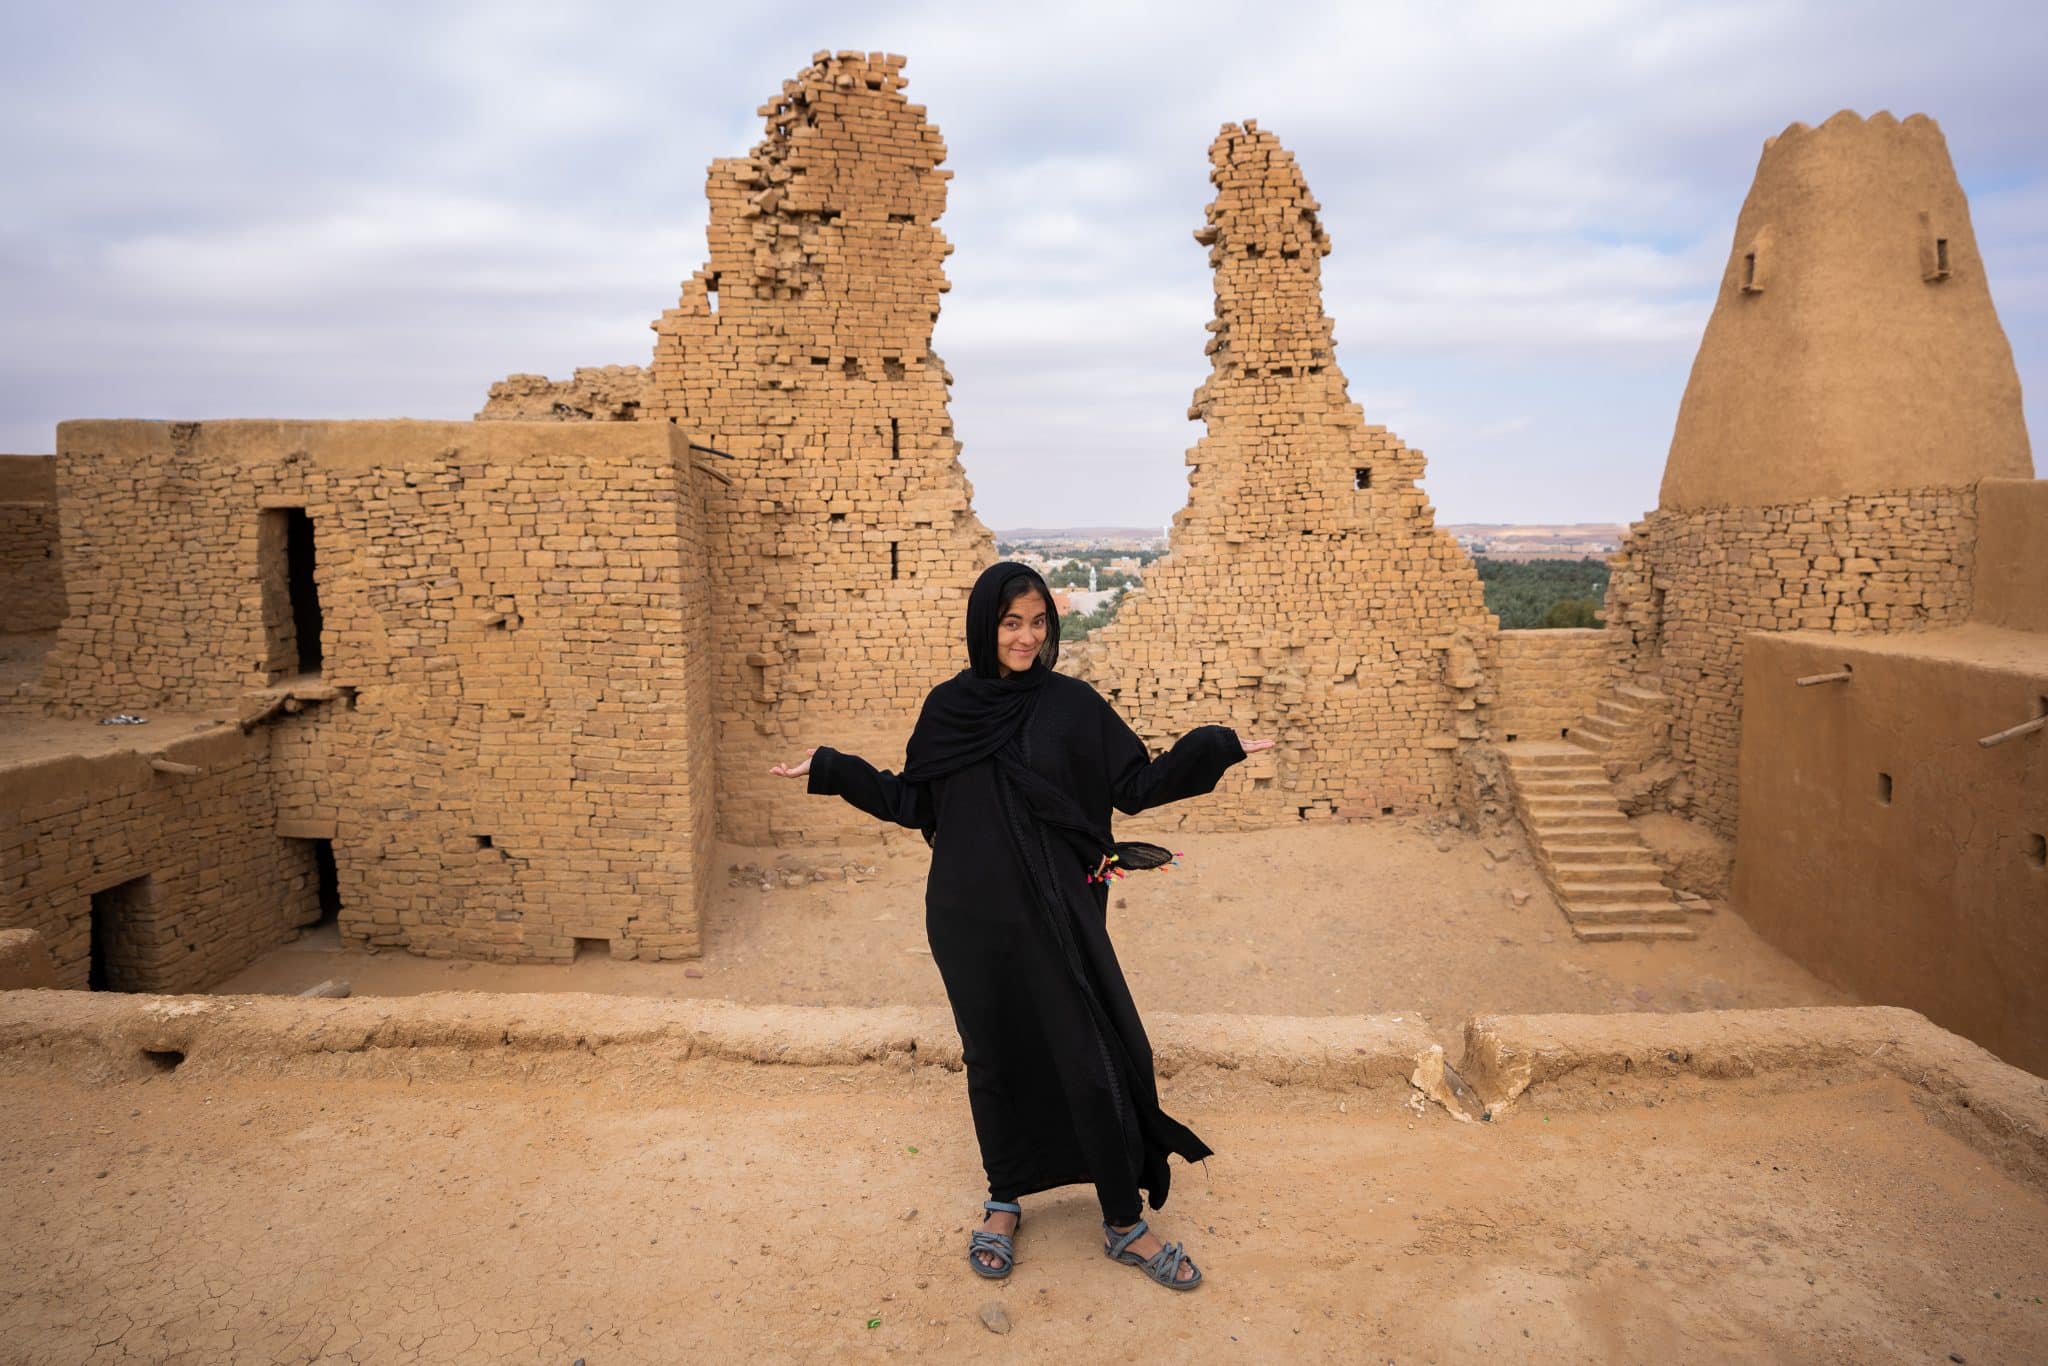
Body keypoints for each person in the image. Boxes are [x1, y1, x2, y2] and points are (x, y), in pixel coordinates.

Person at [771, 561, 1274, 1291]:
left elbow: (1133, 785)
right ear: (986, 625)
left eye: (1039, 623)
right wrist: (833, 768)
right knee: (994, 1060)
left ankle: (1121, 1220)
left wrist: (1212, 749)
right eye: (1012, 622)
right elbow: (914, 804)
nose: (1027, 637)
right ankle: (1004, 1198)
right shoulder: (949, 709)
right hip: (969, 919)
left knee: (1090, 1055)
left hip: (1057, 916)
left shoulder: (1073, 707)